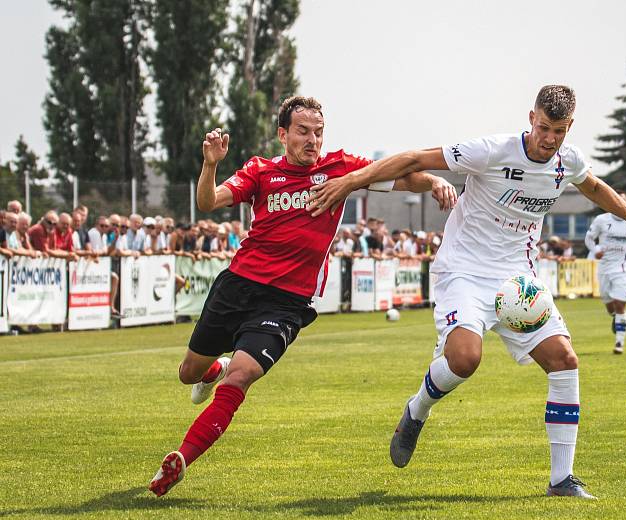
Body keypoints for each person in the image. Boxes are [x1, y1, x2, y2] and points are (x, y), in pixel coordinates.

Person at [307, 85, 626, 499]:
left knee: (564, 361)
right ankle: (416, 410)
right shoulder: (490, 151)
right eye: (543, 127)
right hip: (464, 273)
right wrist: (350, 182)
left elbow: (594, 187)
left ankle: (562, 480)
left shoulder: (568, 160)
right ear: (531, 118)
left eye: (558, 131)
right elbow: (414, 159)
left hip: (516, 280)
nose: (549, 139)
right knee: (465, 359)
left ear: (569, 128)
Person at [148, 95, 457, 497]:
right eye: (303, 132)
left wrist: (434, 180)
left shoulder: (340, 168)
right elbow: (208, 202)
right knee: (187, 372)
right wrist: (210, 163)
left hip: (287, 302)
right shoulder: (261, 171)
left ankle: (180, 461)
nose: (313, 140)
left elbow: (398, 176)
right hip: (238, 285)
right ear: (283, 134)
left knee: (242, 376)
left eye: (319, 132)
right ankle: (210, 370)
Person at [584, 192, 626, 354]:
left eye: (623, 202)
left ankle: (619, 343)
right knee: (610, 305)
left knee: (620, 304)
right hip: (604, 267)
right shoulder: (601, 220)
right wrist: (595, 249)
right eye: (617, 201)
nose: (620, 205)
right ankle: (618, 317)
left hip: (624, 267)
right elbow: (589, 238)